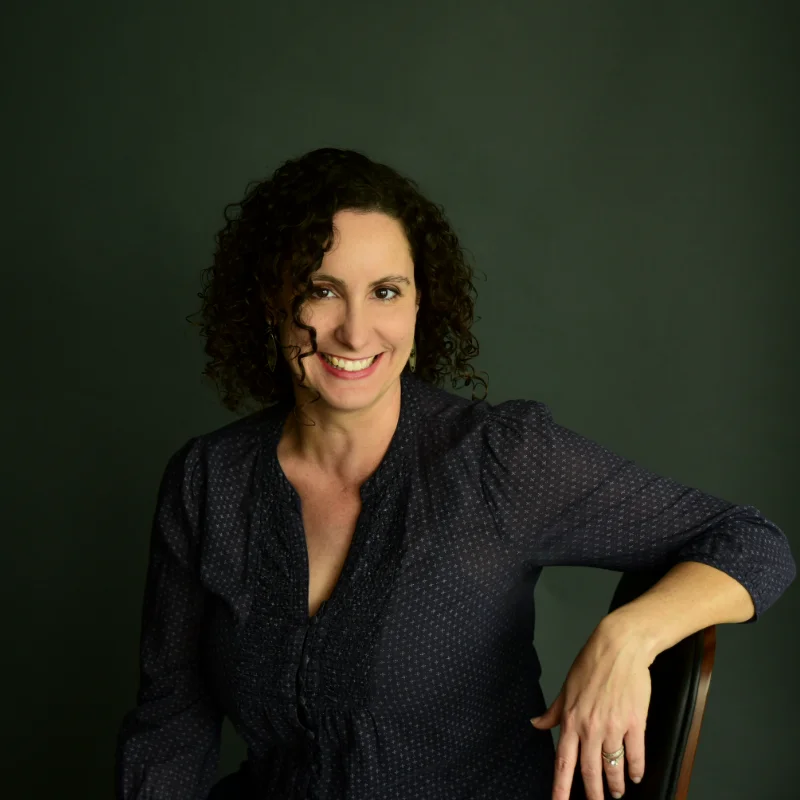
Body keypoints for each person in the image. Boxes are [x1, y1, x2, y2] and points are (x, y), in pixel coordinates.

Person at [114, 147, 796, 800]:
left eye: (386, 291)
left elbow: (752, 541)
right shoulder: (208, 481)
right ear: (270, 301)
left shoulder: (498, 459)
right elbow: (171, 724)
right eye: (322, 291)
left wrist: (629, 636)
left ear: (420, 305)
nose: (356, 332)